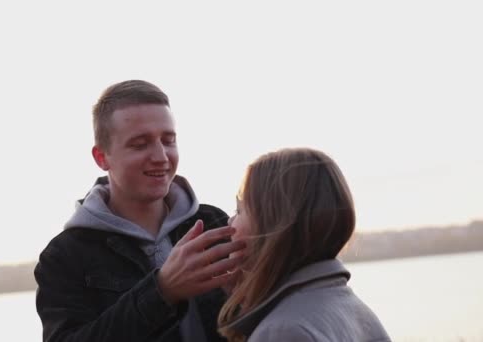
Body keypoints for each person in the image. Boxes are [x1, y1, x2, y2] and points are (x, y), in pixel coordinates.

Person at [34, 80, 245, 342]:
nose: (161, 156)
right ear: (102, 158)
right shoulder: (65, 256)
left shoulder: (213, 222)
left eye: (168, 141)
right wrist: (162, 291)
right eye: (140, 144)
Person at [217, 147, 390, 342]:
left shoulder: (283, 331)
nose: (229, 222)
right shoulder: (356, 312)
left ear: (273, 223)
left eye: (239, 210)